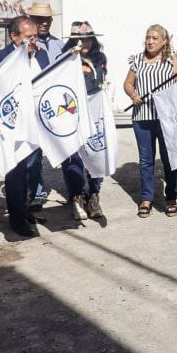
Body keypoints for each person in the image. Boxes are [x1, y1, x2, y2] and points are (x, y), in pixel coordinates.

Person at [0, 16, 47, 238]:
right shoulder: (0, 58)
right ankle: (17, 218)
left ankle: (25, 208)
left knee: (33, 169)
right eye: (28, 37)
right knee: (15, 172)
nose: (33, 40)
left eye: (35, 36)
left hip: (35, 123)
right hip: (12, 126)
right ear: (14, 36)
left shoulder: (41, 53)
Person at [124, 24, 177, 218]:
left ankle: (171, 197)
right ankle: (147, 198)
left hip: (166, 120)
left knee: (169, 160)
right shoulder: (138, 60)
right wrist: (133, 95)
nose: (150, 41)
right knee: (146, 161)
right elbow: (128, 83)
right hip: (142, 118)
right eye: (148, 37)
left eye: (155, 38)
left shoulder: (172, 61)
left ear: (164, 41)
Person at [62, 20, 108, 221]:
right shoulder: (64, 59)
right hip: (71, 112)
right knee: (74, 157)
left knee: (96, 151)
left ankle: (94, 195)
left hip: (95, 112)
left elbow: (102, 82)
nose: (85, 43)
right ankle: (76, 196)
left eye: (88, 38)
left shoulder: (100, 58)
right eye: (80, 39)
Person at [25, 3, 60, 209]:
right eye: (39, 19)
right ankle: (37, 191)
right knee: (33, 154)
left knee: (66, 149)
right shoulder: (24, 45)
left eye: (48, 19)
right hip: (31, 106)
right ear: (31, 20)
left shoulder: (60, 45)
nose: (44, 23)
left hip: (54, 105)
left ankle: (76, 194)